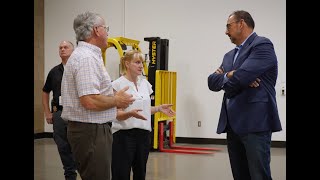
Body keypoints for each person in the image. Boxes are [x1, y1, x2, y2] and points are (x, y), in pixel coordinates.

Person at [207, 10, 282, 180]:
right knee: (239, 175)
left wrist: (228, 77)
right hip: (232, 125)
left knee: (258, 175)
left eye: (228, 26)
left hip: (255, 123)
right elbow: (212, 82)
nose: (226, 32)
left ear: (241, 23)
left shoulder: (262, 45)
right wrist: (232, 75)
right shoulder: (229, 56)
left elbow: (241, 77)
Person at [60, 11, 135, 180]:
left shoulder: (90, 56)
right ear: (96, 30)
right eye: (105, 28)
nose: (107, 32)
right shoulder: (86, 58)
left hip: (91, 129)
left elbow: (94, 93)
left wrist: (113, 97)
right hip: (90, 131)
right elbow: (90, 100)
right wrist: (116, 100)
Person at [111, 50, 176, 180]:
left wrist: (158, 108)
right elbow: (115, 114)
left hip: (143, 135)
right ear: (127, 63)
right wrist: (129, 114)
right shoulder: (117, 84)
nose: (141, 66)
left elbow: (144, 109)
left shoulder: (145, 84)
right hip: (124, 136)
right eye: (137, 62)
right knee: (121, 174)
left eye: (142, 62)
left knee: (140, 174)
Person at [42, 40, 78, 180]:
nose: (62, 49)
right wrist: (47, 113)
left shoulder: (78, 68)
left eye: (66, 47)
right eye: (60, 48)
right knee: (63, 146)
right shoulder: (54, 72)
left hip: (77, 114)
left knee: (79, 146)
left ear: (73, 50)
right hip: (59, 114)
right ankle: (70, 175)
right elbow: (45, 92)